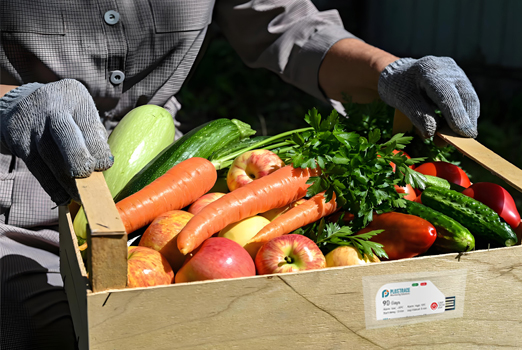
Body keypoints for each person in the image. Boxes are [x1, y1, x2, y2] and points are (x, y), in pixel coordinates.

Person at [0, 1, 479, 349]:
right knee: (39, 329)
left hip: (163, 184)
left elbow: (283, 22)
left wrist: (385, 70)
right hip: (20, 179)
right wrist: (8, 101)